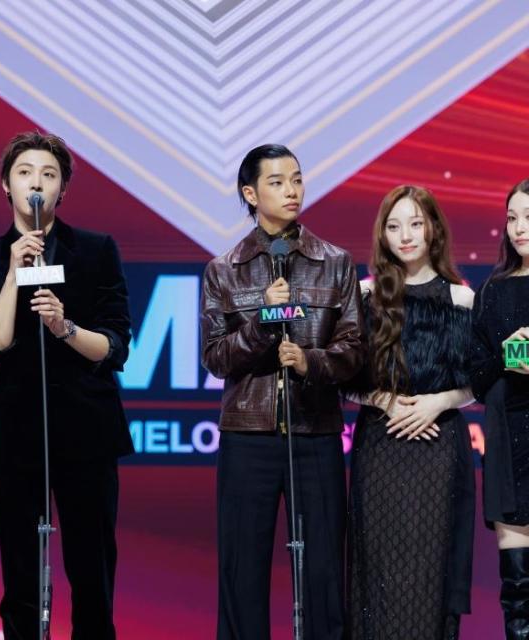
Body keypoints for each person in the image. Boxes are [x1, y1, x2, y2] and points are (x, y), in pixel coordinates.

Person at [0, 132, 132, 640]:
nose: (36, 183)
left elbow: (116, 346)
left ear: (62, 190)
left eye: (49, 174)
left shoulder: (97, 251)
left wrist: (65, 328)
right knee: (20, 579)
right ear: (6, 185)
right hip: (17, 435)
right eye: (25, 173)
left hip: (87, 432)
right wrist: (14, 274)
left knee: (92, 575)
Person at [200, 144, 365, 640]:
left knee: (323, 572)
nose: (291, 190)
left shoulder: (335, 263)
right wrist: (261, 323)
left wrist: (310, 361)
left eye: (296, 179)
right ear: (250, 194)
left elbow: (354, 350)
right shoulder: (223, 270)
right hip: (247, 436)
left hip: (315, 430)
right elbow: (214, 356)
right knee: (241, 571)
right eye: (276, 182)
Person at [347, 185, 475, 639]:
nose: (405, 235)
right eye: (394, 226)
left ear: (433, 229)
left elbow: (478, 381)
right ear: (382, 234)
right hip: (380, 450)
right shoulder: (364, 295)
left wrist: (437, 403)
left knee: (430, 575)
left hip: (439, 452)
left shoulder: (462, 299)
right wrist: (387, 402)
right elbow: (344, 378)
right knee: (377, 578)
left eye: (416, 224)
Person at [469, 179, 529, 639]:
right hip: (510, 443)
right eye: (512, 218)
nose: (519, 228)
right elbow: (476, 377)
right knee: (519, 591)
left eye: (528, 217)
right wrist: (509, 354)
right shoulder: (492, 291)